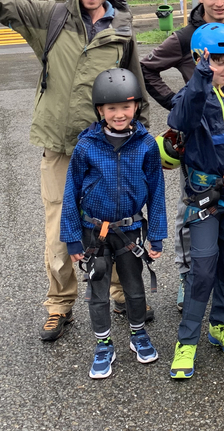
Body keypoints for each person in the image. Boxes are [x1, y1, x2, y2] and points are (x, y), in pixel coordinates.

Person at [0, 0, 150, 342]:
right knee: (59, 228)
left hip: (108, 147)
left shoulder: (121, 28)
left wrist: (141, 138)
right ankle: (59, 304)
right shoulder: (47, 18)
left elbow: (133, 85)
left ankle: (117, 292)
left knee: (112, 221)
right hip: (59, 146)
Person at [139, 0, 224, 312]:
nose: (219, 2)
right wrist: (175, 102)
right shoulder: (185, 36)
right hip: (198, 137)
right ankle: (187, 273)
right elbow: (147, 67)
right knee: (192, 205)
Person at [60, 68, 169, 379]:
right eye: (111, 108)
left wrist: (156, 235)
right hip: (93, 232)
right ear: (100, 111)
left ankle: (138, 334)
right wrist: (72, 238)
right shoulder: (86, 146)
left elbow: (157, 192)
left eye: (125, 106)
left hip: (130, 231)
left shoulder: (146, 145)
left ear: (136, 107)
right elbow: (70, 192)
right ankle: (104, 344)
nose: (119, 114)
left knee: (134, 287)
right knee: (98, 291)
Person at [167, 23, 224, 379]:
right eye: (218, 61)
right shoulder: (189, 97)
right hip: (204, 199)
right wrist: (201, 78)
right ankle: (186, 340)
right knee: (202, 269)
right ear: (200, 59)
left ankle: (221, 324)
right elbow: (180, 119)